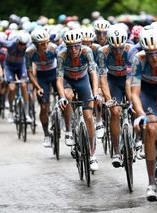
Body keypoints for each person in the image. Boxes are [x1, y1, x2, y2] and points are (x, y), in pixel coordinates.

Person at [131, 28, 157, 201]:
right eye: (150, 54)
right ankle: (151, 183)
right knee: (151, 128)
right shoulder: (138, 59)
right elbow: (135, 93)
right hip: (148, 93)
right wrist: (141, 114)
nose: (154, 58)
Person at [56, 29, 100, 171]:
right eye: (70, 46)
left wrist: (95, 93)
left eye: (76, 46)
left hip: (83, 80)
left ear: (80, 44)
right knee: (68, 97)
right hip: (68, 81)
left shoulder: (87, 51)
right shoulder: (62, 55)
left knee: (88, 116)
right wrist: (62, 97)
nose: (73, 49)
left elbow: (93, 73)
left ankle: (92, 154)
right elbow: (59, 79)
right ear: (66, 46)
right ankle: (69, 130)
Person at [97, 25, 133, 168]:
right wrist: (109, 99)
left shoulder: (131, 50)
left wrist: (132, 100)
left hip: (128, 80)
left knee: (136, 106)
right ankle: (117, 151)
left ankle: (138, 141)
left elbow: (133, 78)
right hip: (113, 81)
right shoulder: (103, 52)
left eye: (120, 48)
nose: (118, 51)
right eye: (115, 48)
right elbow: (103, 78)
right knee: (115, 112)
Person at [0, 31, 32, 123]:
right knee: (12, 88)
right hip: (9, 67)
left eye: (24, 44)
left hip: (21, 66)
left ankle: (26, 113)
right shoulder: (9, 44)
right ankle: (10, 111)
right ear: (17, 42)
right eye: (20, 44)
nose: (22, 46)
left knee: (24, 85)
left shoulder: (28, 45)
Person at [26, 29, 57, 147]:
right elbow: (29, 72)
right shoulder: (29, 52)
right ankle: (46, 135)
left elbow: (61, 66)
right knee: (44, 106)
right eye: (41, 44)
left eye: (46, 42)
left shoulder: (53, 48)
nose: (45, 45)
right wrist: (37, 87)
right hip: (41, 77)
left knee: (65, 97)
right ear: (35, 44)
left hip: (54, 74)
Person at [80, 27, 105, 138]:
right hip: (83, 73)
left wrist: (99, 87)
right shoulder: (78, 50)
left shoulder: (97, 49)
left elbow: (100, 68)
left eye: (88, 43)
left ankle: (99, 120)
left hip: (96, 72)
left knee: (98, 96)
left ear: (92, 42)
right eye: (83, 43)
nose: (86, 46)